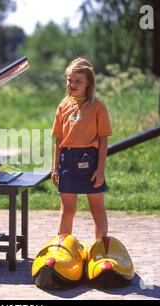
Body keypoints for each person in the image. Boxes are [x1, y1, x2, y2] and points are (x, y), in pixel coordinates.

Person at [51, 57, 112, 240]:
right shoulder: (63, 106)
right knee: (67, 210)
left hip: (91, 161)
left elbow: (103, 141)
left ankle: (101, 247)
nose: (73, 84)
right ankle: (63, 248)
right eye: (70, 80)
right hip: (67, 162)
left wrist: (100, 170)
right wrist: (55, 168)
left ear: (88, 83)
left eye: (78, 81)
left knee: (97, 210)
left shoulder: (98, 107)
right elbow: (58, 139)